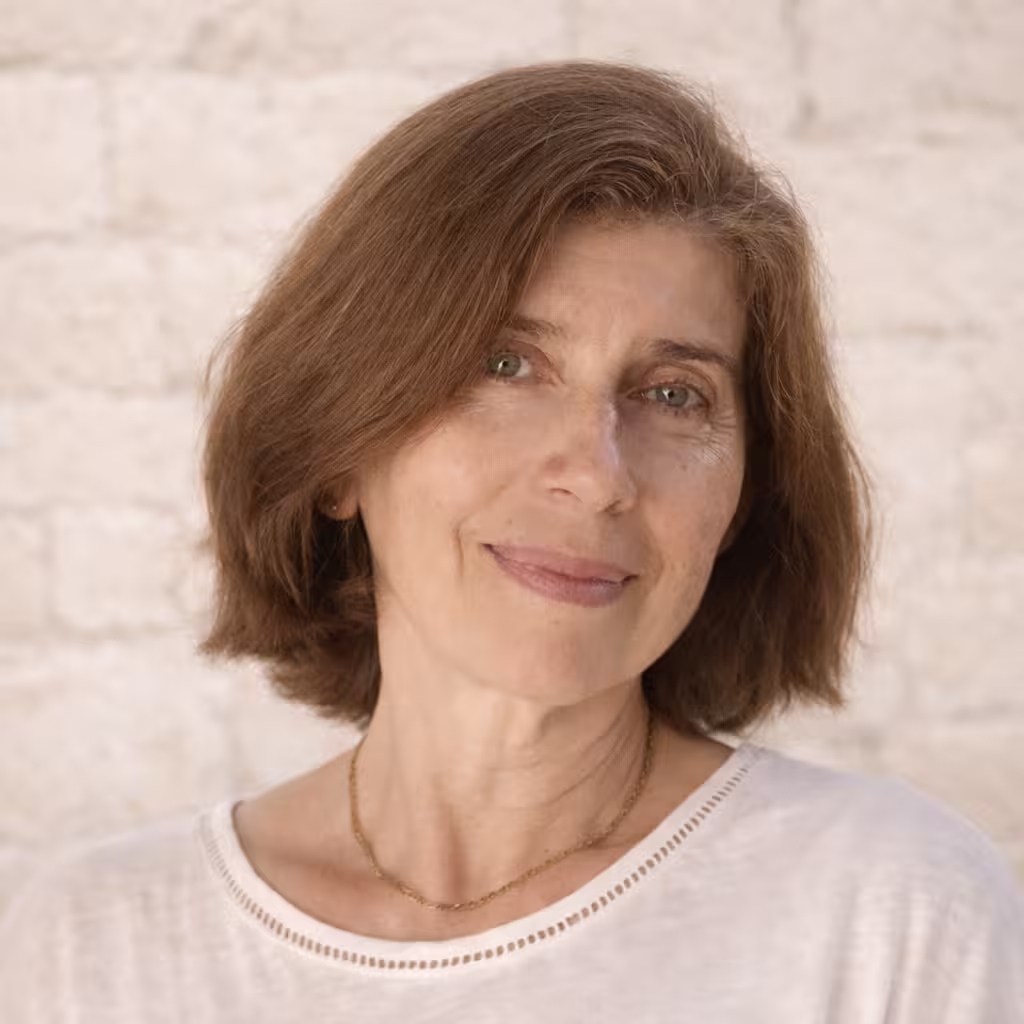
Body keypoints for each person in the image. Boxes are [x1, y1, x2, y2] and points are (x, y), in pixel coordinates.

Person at [1, 58, 1022, 1023]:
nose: (595, 472)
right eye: (504, 365)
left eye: (675, 394)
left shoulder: (895, 916)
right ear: (336, 451)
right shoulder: (93, 948)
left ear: (747, 496)